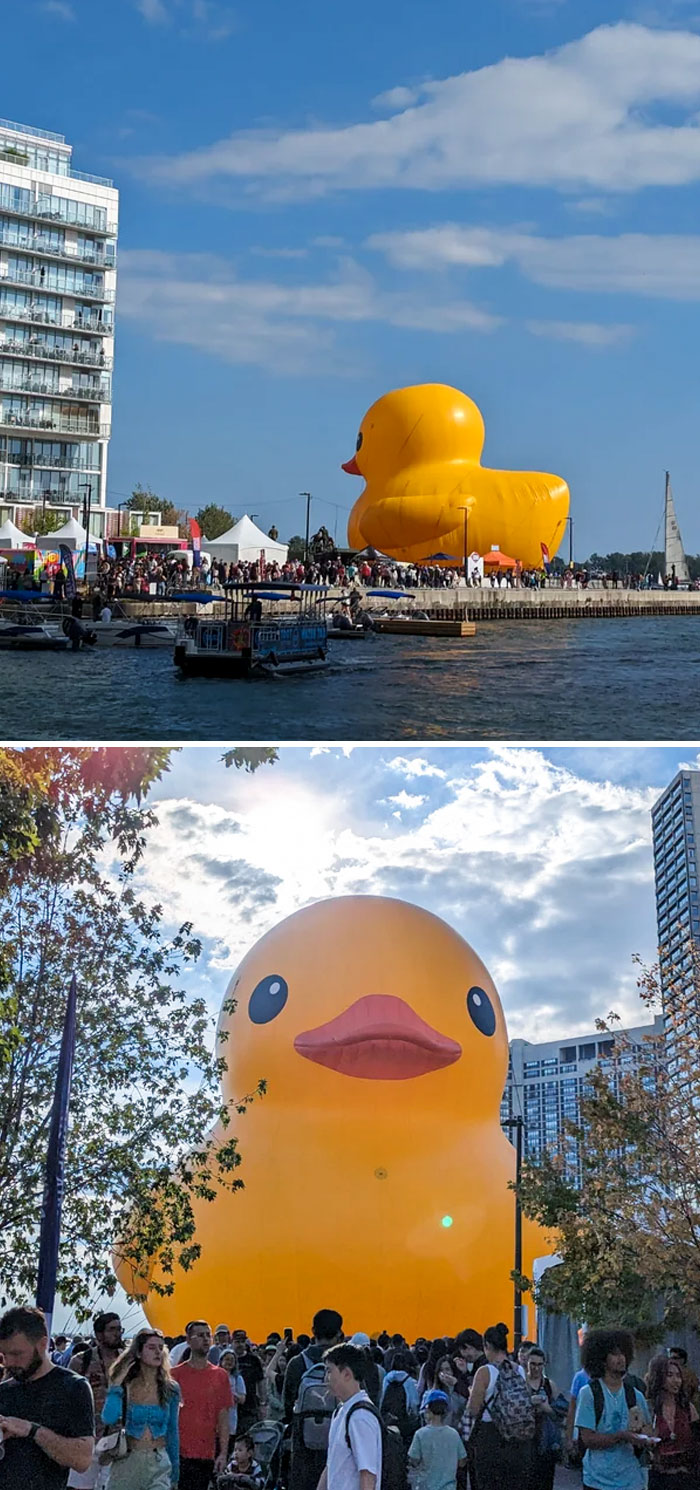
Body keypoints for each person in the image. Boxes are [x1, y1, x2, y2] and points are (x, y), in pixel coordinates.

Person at [0, 1305, 95, 1489]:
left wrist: (31, 1430)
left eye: (17, 1354)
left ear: (43, 1344)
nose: (9, 1362)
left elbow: (82, 1459)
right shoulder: (4, 1391)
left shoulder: (73, 1388)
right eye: (4, 1355)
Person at [574, 1327, 652, 1490]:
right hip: (597, 1481)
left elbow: (648, 1430)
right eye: (615, 1354)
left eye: (623, 1353)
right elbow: (588, 1439)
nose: (621, 1358)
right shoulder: (589, 1394)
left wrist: (645, 1438)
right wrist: (621, 1436)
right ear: (602, 1359)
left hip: (631, 1480)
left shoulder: (635, 1395)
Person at [102, 1329, 179, 1489]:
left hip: (159, 1459)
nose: (158, 1352)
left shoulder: (170, 1388)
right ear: (138, 1352)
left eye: (160, 1347)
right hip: (128, 1460)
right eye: (151, 1348)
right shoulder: (126, 1384)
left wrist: (175, 1468)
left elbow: (172, 1429)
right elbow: (108, 1418)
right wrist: (116, 1385)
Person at [466, 1322, 536, 1490]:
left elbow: (473, 1410)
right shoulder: (519, 1370)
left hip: (490, 1437)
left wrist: (472, 1394)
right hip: (518, 1437)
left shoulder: (485, 1372)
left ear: (487, 1346)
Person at [285, 1309, 343, 1490]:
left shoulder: (296, 1363)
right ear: (339, 1333)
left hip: (303, 1446)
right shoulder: (346, 1364)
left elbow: (287, 1404)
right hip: (337, 1445)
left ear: (313, 1331)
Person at [172, 1320, 232, 1490]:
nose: (206, 1339)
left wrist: (223, 1453)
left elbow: (223, 1417)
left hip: (206, 1452)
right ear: (189, 1340)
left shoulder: (220, 1375)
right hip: (178, 1452)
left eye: (208, 1335)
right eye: (200, 1335)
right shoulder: (175, 1375)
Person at [69, 1312, 124, 1488]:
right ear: (99, 1334)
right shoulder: (81, 1361)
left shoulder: (128, 1362)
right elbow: (68, 1399)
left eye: (119, 1329)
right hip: (87, 1437)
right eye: (112, 1329)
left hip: (118, 1439)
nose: (118, 1334)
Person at [319, 1343, 382, 1490]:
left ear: (347, 1373)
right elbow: (331, 1467)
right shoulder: (341, 1411)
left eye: (329, 1371)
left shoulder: (361, 1416)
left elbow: (368, 1475)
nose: (326, 1378)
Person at [646, 1353, 698, 1489]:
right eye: (670, 1375)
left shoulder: (687, 1408)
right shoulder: (650, 1409)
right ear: (659, 1377)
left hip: (687, 1477)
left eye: (678, 1376)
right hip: (659, 1477)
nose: (676, 1381)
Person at [408, 1389, 467, 1490]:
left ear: (428, 1410)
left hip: (425, 1486)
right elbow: (462, 1462)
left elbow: (414, 1460)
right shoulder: (454, 1434)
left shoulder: (420, 1434)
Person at [524, 1347, 561, 1490]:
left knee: (545, 1481)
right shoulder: (521, 1382)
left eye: (539, 1365)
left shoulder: (549, 1385)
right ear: (527, 1363)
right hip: (525, 1440)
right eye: (533, 1364)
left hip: (545, 1440)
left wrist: (547, 1408)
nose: (536, 1368)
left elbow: (559, 1413)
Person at [219, 1348, 247, 1450]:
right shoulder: (215, 1376)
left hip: (231, 1416)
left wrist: (231, 1395)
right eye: (227, 1359)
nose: (229, 1362)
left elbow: (242, 1399)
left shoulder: (237, 1378)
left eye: (232, 1360)